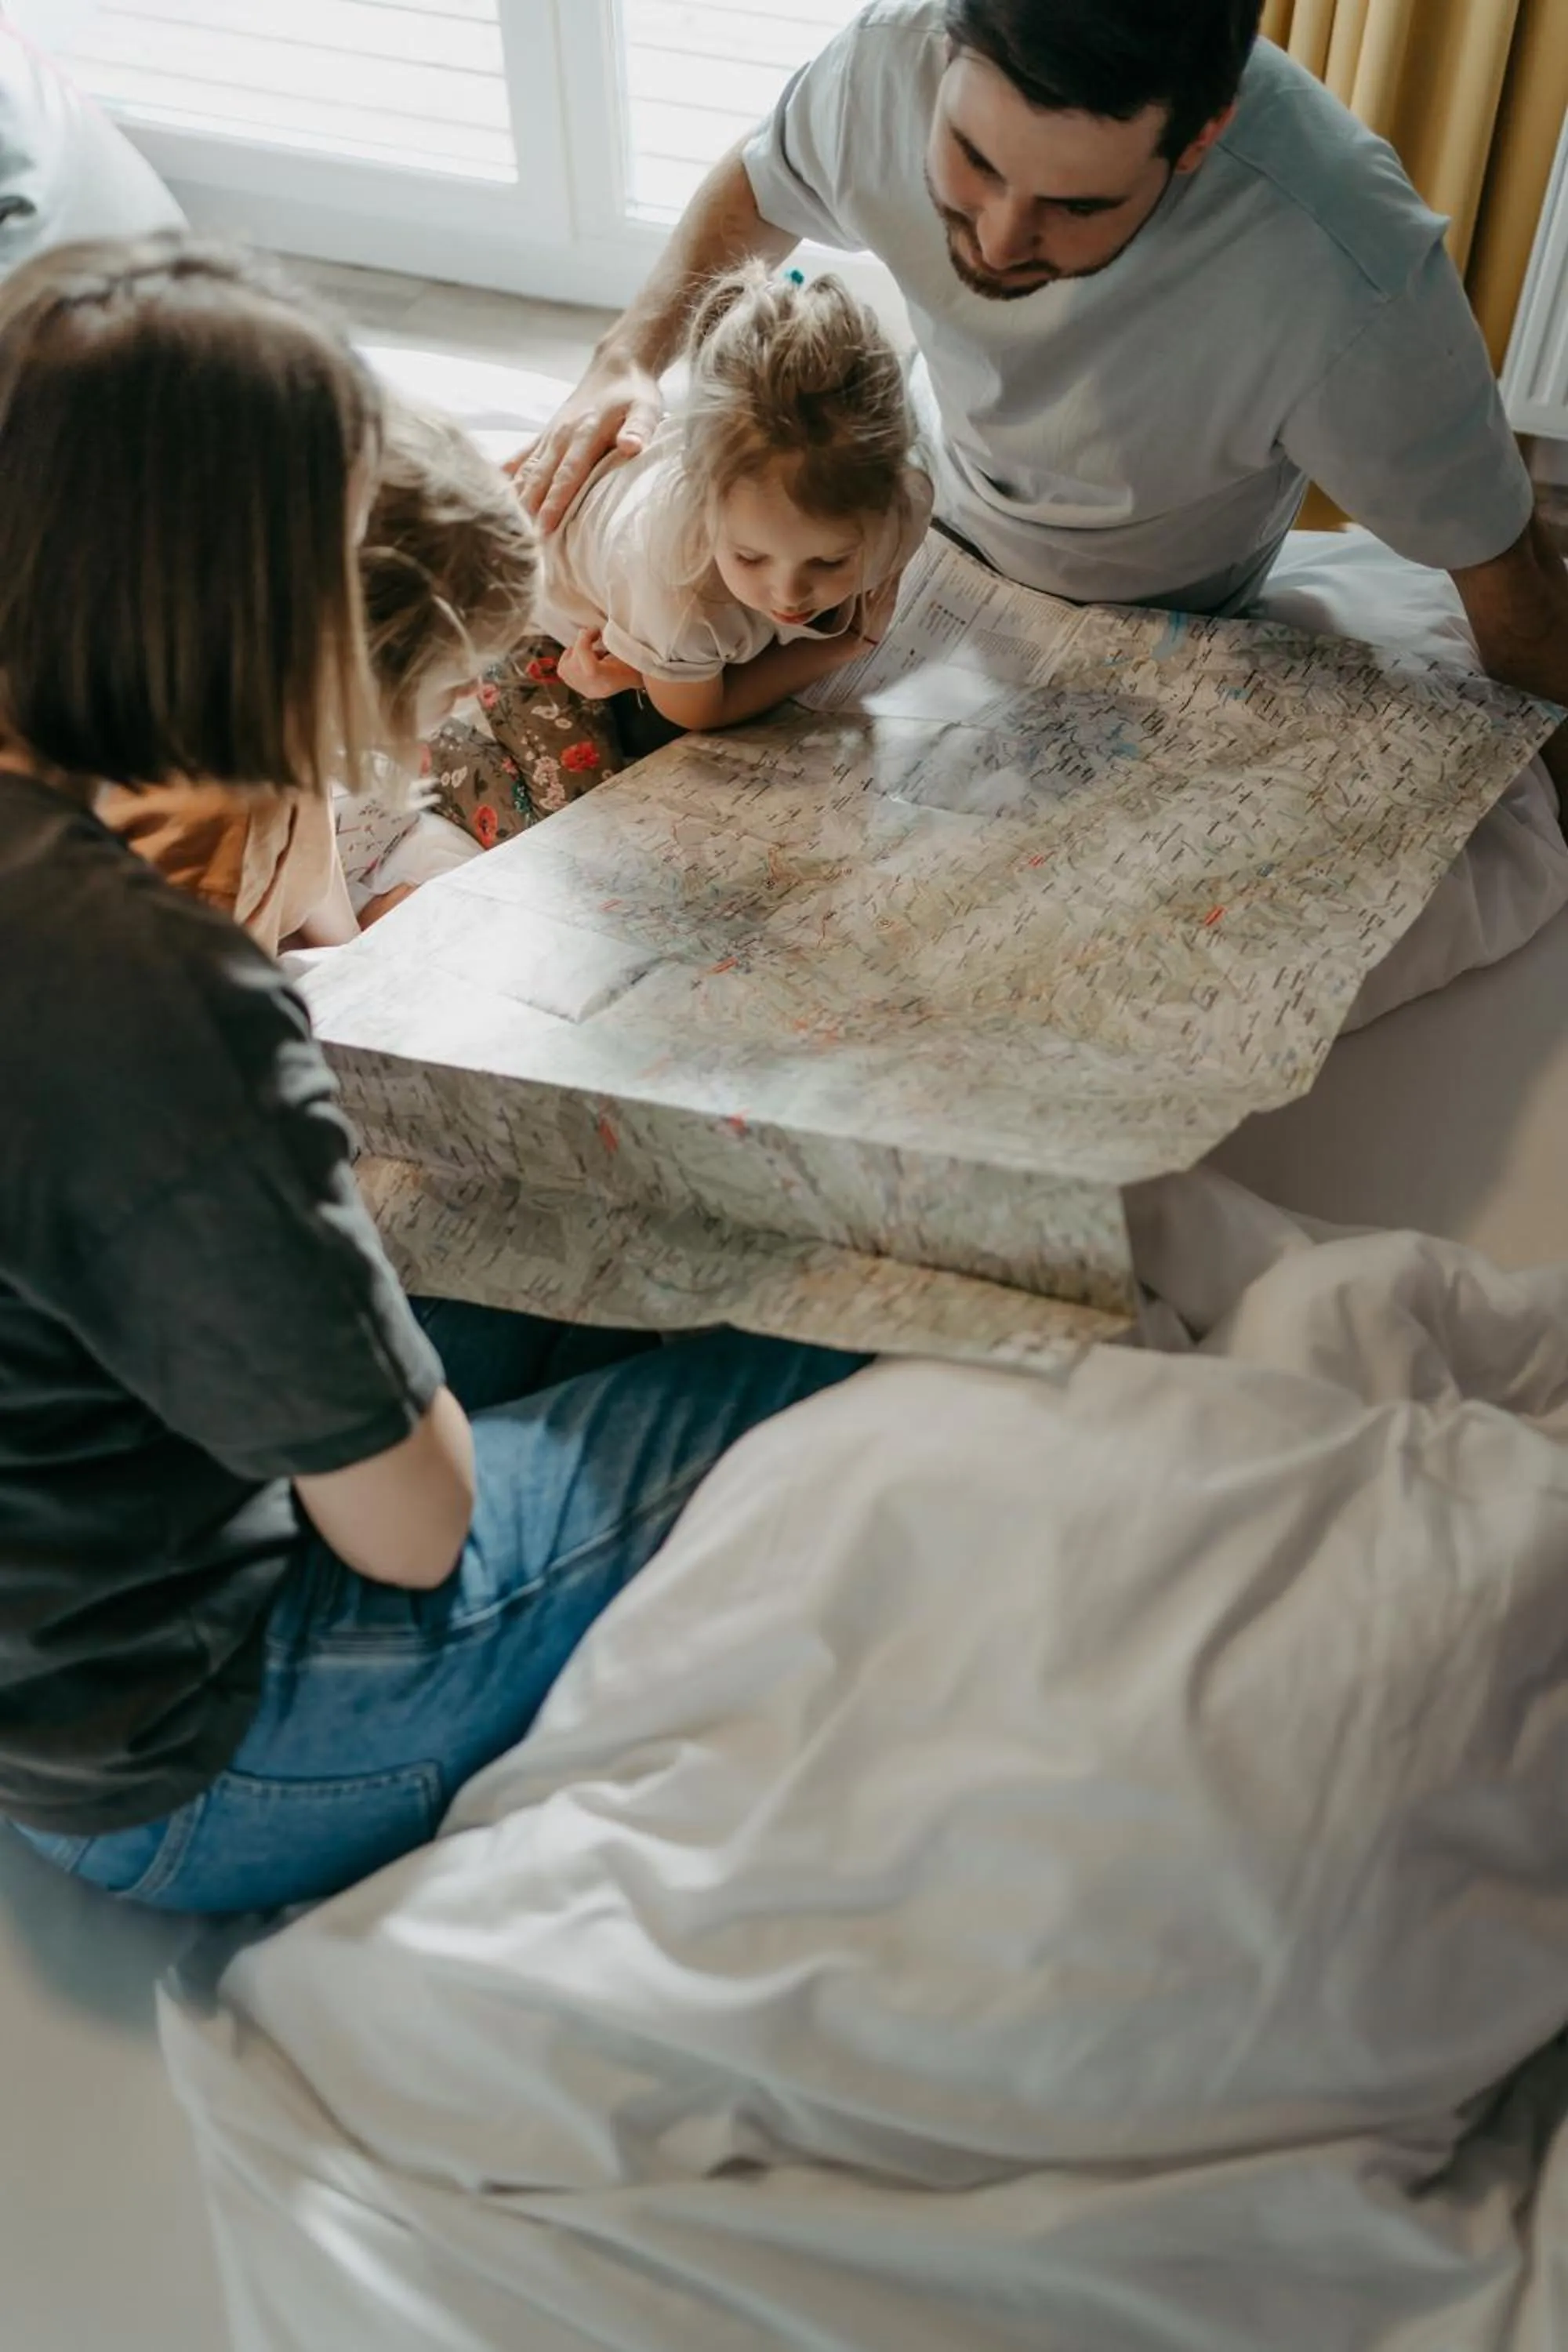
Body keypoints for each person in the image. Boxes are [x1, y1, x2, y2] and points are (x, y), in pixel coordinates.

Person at [0, 236, 860, 1916]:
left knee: (579, 1275)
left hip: (63, 1611)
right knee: (824, 1331)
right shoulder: (156, 1003)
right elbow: (414, 1532)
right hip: (193, 1749)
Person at [519, 0, 1568, 800]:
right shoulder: (889, 52)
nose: (997, 241)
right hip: (911, 528)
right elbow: (763, 182)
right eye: (973, 161)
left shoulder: (1347, 271)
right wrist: (627, 354)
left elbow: (1503, 570)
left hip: (1147, 609)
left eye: (1075, 204)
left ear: (1198, 139)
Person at [535, 263, 933, 731]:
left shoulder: (903, 497)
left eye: (830, 561)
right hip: (557, 608)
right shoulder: (679, 601)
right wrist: (846, 644)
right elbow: (700, 714)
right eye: (749, 557)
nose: (789, 594)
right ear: (701, 502)